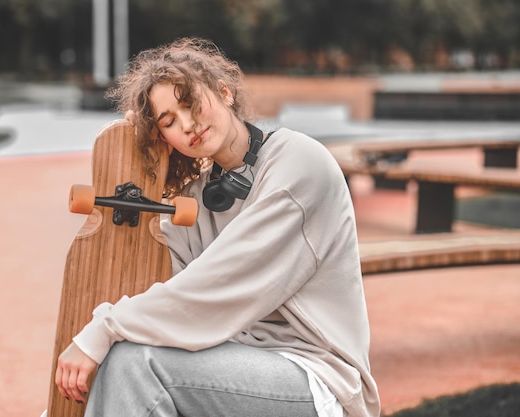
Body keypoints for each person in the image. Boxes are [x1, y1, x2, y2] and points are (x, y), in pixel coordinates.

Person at [55, 37, 380, 417]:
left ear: (224, 92)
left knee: (136, 363)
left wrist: (104, 327)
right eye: (169, 122)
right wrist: (136, 158)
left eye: (190, 102)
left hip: (317, 379)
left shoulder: (299, 164)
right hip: (234, 362)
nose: (188, 124)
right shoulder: (200, 196)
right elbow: (160, 281)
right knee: (121, 357)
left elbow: (215, 284)